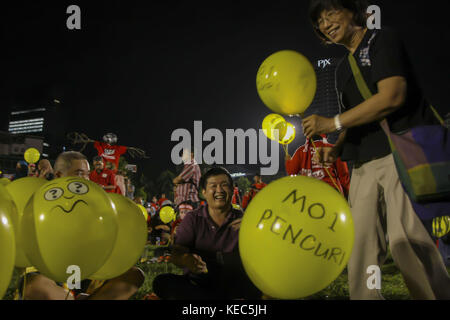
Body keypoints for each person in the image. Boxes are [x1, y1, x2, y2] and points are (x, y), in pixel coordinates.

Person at [304, 0, 450, 299]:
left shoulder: (382, 39)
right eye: (319, 21)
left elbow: (392, 96)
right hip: (363, 165)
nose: (326, 24)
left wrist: (331, 122)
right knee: (362, 250)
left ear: (351, 11)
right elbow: (352, 120)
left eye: (331, 13)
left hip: (399, 154)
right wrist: (336, 146)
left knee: (406, 242)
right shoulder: (341, 69)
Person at [20, 151, 145, 300]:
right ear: (59, 176)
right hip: (52, 274)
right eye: (79, 174)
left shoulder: (94, 205)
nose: (86, 179)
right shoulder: (44, 201)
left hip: (87, 273)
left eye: (87, 174)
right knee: (33, 286)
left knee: (134, 276)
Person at [152, 167, 261, 300]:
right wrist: (187, 259)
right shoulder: (192, 218)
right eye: (213, 186)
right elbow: (177, 254)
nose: (219, 190)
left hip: (232, 281)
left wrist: (251, 231)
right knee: (162, 282)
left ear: (233, 190)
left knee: (259, 285)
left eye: (224, 185)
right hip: (199, 283)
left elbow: (257, 258)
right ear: (203, 192)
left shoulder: (245, 220)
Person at [285, 134, 350, 198]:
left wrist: (288, 161)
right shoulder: (332, 149)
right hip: (330, 192)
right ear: (325, 137)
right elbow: (343, 175)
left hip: (309, 194)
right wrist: (347, 195)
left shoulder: (301, 150)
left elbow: (291, 171)